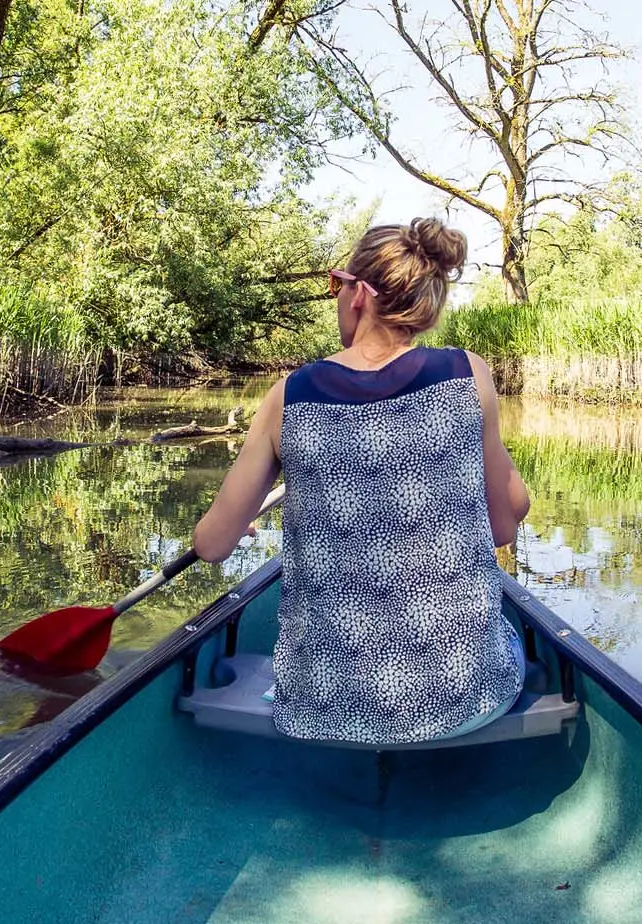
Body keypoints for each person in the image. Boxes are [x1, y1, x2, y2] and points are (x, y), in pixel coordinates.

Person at [191, 218, 532, 745]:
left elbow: (213, 544)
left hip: (318, 708)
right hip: (467, 697)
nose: (336, 298)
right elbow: (505, 526)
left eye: (336, 284)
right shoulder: (471, 374)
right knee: (508, 638)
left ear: (359, 295)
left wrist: (239, 521)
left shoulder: (289, 395)